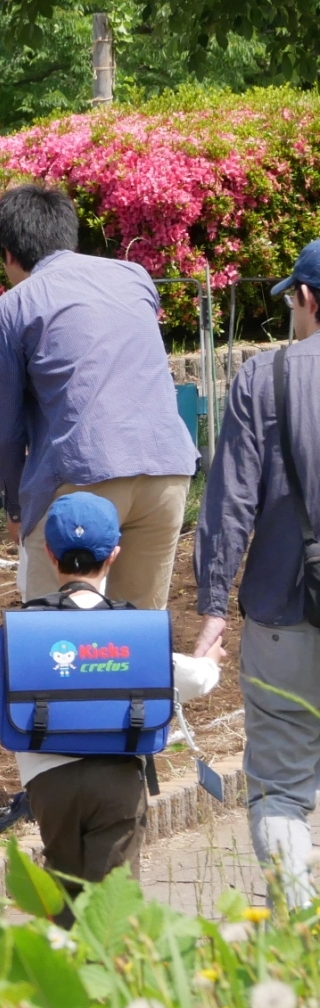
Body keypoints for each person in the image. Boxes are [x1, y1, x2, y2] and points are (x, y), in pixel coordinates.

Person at [0, 493, 220, 911]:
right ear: (115, 555)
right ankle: (104, 971)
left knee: (63, 896)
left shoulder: (23, 629)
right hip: (118, 777)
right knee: (112, 906)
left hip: (47, 780)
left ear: (50, 554)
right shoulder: (133, 628)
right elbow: (191, 679)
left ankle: (65, 968)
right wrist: (210, 664)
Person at [0, 184, 198, 609]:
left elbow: (0, 431)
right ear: (68, 235)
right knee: (138, 635)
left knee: (57, 635)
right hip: (167, 468)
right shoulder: (134, 276)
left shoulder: (9, 309)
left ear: (7, 253)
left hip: (83, 475)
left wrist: (15, 504)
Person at [194, 243, 320, 906]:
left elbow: (229, 501)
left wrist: (213, 609)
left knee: (279, 790)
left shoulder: (263, 380)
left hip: (283, 613)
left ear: (306, 299)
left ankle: (299, 949)